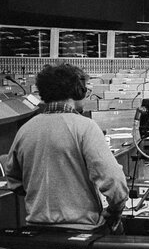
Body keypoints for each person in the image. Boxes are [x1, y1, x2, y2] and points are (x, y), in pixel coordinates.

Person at [2, 63, 128, 232]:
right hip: (82, 231)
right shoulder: (85, 127)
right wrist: (114, 211)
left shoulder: (25, 129)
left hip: (36, 231)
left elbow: (13, 180)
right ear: (79, 91)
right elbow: (114, 181)